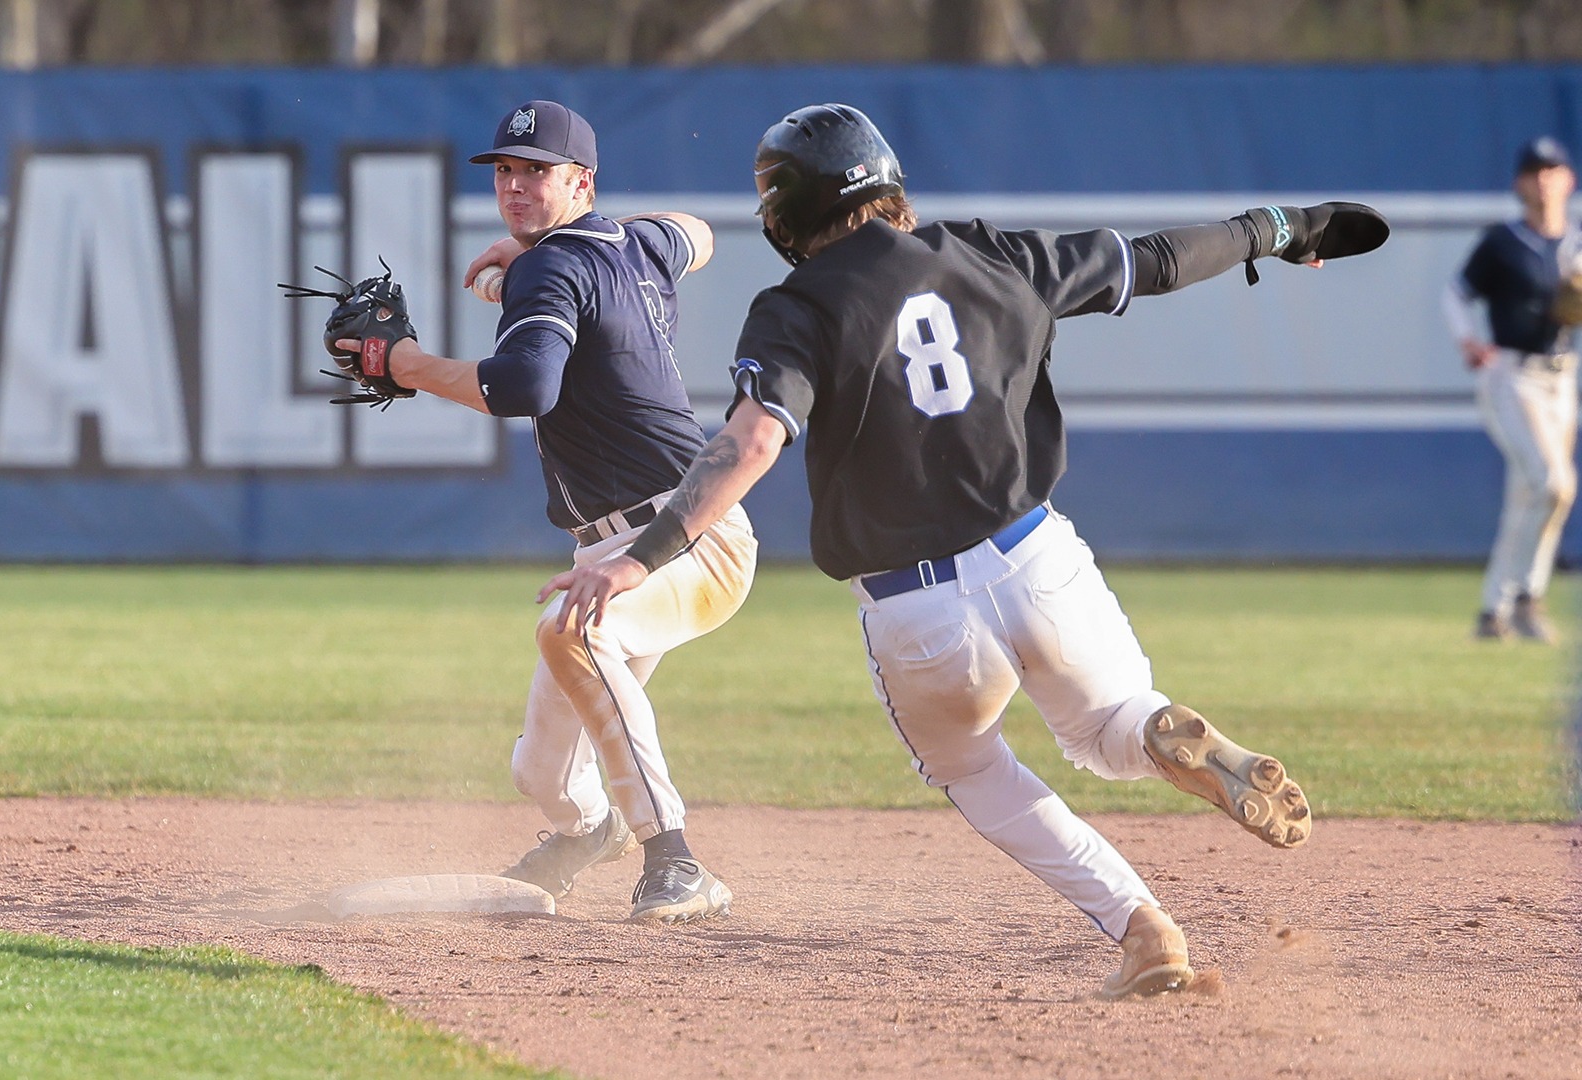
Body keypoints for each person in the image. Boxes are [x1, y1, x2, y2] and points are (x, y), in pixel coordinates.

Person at [540, 104, 1386, 996]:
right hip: (1035, 557)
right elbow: (1159, 260)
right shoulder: (989, 251)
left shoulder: (796, 307)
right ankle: (1154, 733)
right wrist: (1283, 229)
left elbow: (751, 442)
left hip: (917, 611)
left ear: (786, 215)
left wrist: (641, 557)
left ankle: (1143, 927)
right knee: (1110, 728)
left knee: (974, 771)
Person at [347, 99, 757, 924]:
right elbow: (698, 232)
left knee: (574, 636)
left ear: (582, 182)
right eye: (505, 170)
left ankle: (675, 860)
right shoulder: (634, 243)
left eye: (537, 171)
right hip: (609, 546)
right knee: (542, 773)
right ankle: (590, 831)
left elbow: (525, 387)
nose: (515, 184)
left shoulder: (552, 268)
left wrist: (408, 364)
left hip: (685, 533)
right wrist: (555, 243)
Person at [1443, 136, 1580, 643]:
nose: (1543, 180)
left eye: (1552, 170)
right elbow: (1455, 293)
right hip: (1513, 374)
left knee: (1531, 494)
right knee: (1554, 483)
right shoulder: (1503, 241)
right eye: (1534, 171)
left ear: (1569, 180)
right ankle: (1527, 597)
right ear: (1520, 183)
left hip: (1562, 376)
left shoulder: (1577, 244)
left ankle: (1495, 610)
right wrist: (1467, 340)